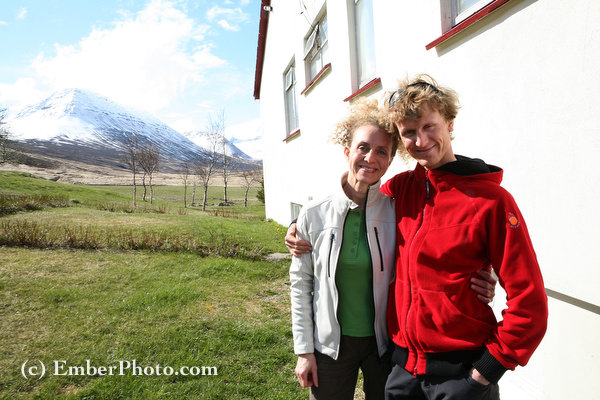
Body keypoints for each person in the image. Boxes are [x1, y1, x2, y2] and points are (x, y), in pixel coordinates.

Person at [288, 99, 497, 400]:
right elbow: (300, 284)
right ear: (347, 151)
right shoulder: (313, 214)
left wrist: (480, 275)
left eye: (381, 151)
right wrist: (304, 351)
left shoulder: (397, 208)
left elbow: (432, 248)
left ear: (389, 161)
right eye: (363, 147)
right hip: (330, 347)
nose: (370, 158)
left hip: (384, 346)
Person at [378, 74, 548, 399]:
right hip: (402, 373)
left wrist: (485, 372)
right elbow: (353, 207)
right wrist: (300, 224)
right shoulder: (398, 190)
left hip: (461, 378)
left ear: (449, 123)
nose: (421, 140)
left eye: (429, 126)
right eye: (409, 132)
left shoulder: (491, 201)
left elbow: (530, 303)